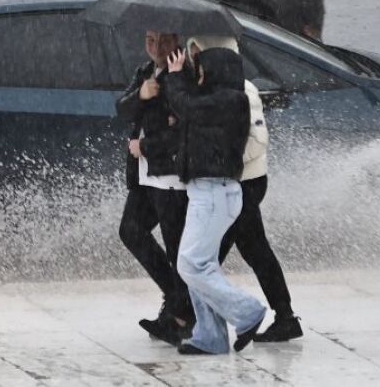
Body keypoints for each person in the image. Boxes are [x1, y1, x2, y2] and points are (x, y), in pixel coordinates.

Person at [186, 36, 301, 342]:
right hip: (231, 182)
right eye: (193, 54)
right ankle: (284, 315)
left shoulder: (243, 91)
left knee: (206, 256)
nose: (194, 60)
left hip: (245, 183)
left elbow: (258, 140)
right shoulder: (208, 88)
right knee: (251, 248)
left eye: (199, 55)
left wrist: (224, 159)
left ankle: (196, 317)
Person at [166, 45, 266, 355]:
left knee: (191, 265)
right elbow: (190, 107)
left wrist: (173, 78)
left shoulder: (231, 100)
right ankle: (210, 337)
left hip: (214, 193)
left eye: (201, 72)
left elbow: (187, 105)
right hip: (209, 192)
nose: (198, 78)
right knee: (200, 264)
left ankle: (247, 311)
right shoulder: (218, 100)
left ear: (215, 72)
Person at [117, 31, 195, 345]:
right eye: (148, 39)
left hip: (171, 177)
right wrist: (141, 96)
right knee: (131, 230)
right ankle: (177, 300)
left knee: (178, 250)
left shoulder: (184, 75)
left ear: (175, 40)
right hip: (145, 176)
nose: (154, 46)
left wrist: (146, 146)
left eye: (161, 40)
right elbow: (122, 109)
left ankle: (180, 316)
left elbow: (185, 129)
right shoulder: (145, 73)